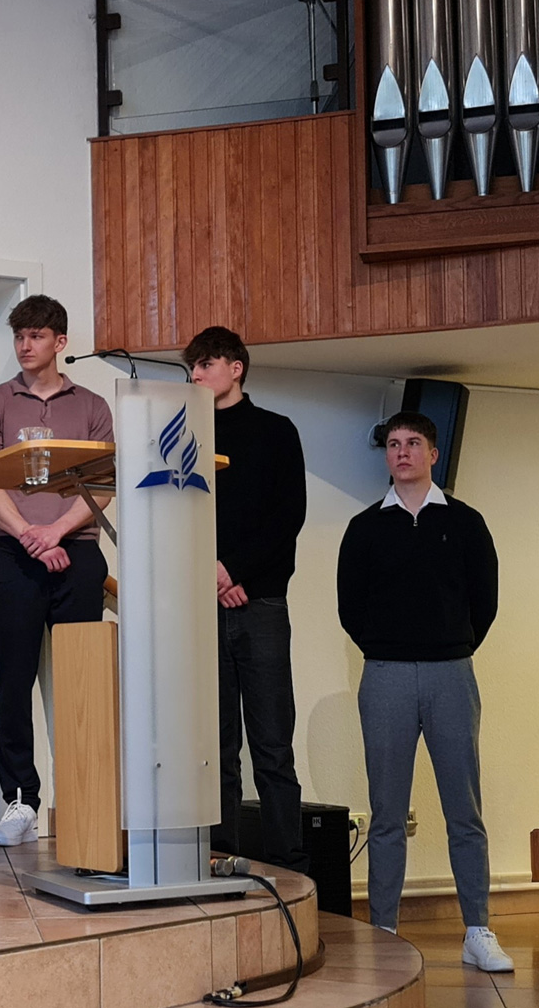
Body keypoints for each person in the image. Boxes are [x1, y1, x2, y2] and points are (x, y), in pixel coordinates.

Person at [338, 411, 510, 970]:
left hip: (451, 673)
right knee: (387, 813)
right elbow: (350, 606)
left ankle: (477, 930)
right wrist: (388, 646)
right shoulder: (364, 527)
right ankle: (384, 929)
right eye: (393, 444)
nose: (403, 452)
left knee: (465, 810)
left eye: (413, 443)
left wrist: (449, 644)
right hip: (385, 674)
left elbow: (485, 601)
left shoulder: (465, 522)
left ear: (433, 454)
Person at [0, 294, 111, 847]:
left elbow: (103, 484)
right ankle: (21, 801)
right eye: (19, 336)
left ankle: (85, 799)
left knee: (83, 681)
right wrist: (31, 534)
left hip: (78, 554)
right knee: (14, 680)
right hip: (14, 556)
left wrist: (57, 532)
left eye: (36, 336)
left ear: (60, 342)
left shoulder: (93, 405)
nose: (25, 346)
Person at [183, 327, 309, 873]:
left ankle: (290, 867)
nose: (195, 374)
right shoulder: (185, 434)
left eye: (205, 364)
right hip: (203, 602)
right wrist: (212, 575)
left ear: (235, 368)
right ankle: (220, 859)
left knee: (273, 744)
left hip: (261, 603)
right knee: (216, 748)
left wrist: (233, 571)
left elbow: (288, 516)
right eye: (191, 367)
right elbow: (178, 512)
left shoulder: (276, 431)